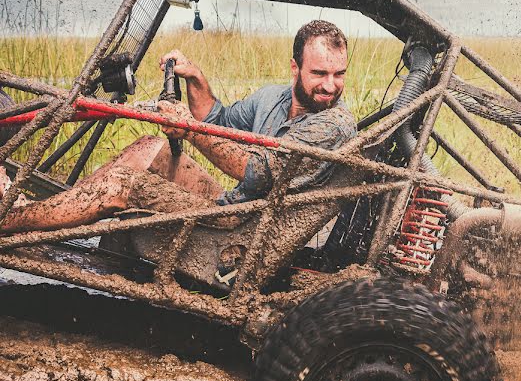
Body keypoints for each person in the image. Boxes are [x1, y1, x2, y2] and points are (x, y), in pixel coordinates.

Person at [0, 20, 357, 233]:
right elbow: (217, 122)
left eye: (338, 74)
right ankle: (42, 211)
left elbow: (256, 173)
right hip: (234, 204)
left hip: (245, 228)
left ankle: (11, 222)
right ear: (295, 69)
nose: (329, 85)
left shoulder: (333, 124)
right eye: (319, 73)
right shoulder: (273, 99)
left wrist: (187, 128)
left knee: (121, 184)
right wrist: (195, 77)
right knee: (148, 148)